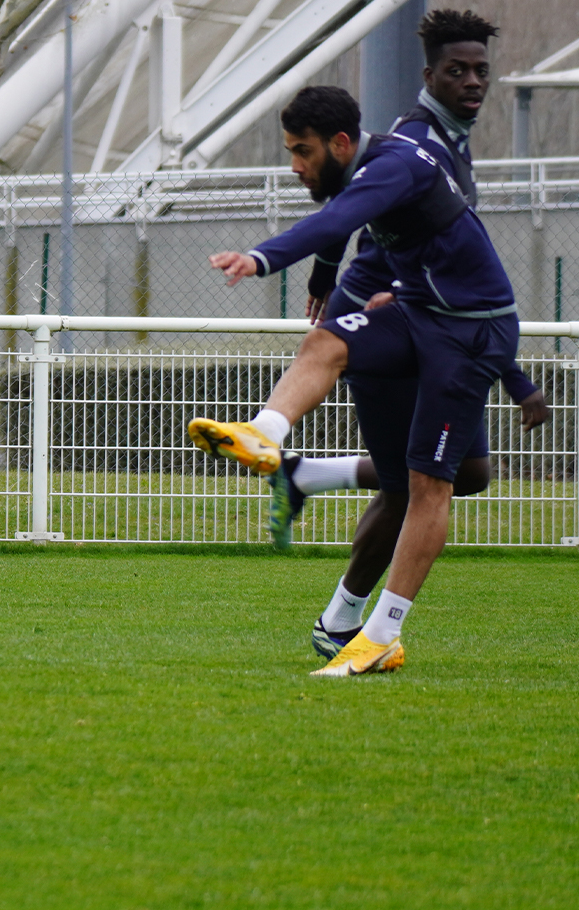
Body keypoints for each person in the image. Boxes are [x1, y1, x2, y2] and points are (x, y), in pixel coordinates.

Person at [186, 84, 520, 677]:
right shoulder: (376, 162)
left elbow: (337, 218)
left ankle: (382, 634)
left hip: (470, 334)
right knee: (327, 341)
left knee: (427, 486)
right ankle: (265, 433)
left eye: (303, 152)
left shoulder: (392, 166)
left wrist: (260, 258)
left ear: (341, 144)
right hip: (418, 313)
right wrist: (328, 278)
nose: (295, 166)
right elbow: (344, 225)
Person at [274, 10, 549, 660]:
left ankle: (309, 477)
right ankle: (346, 624)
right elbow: (350, 202)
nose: (473, 81)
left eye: (481, 69)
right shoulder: (416, 134)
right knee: (420, 483)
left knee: (466, 473)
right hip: (390, 321)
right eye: (458, 70)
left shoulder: (450, 135)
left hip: (431, 318)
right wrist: (330, 272)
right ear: (429, 75)